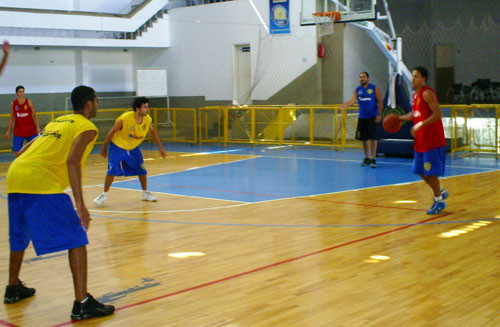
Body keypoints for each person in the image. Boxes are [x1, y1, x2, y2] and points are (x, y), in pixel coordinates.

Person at [4, 86, 115, 321]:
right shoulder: (87, 128)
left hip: (15, 176)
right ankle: (82, 303)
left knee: (19, 236)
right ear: (88, 105)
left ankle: (12, 288)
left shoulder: (58, 121)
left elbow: (25, 148)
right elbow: (73, 161)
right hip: (40, 181)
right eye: (96, 101)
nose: (97, 105)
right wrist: (80, 204)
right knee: (77, 237)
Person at [93, 97, 167, 206]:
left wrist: (161, 148)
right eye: (145, 107)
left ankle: (145, 193)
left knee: (142, 170)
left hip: (133, 147)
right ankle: (104, 195)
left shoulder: (147, 119)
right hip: (118, 146)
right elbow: (112, 132)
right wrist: (103, 148)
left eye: (147, 107)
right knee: (112, 170)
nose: (147, 109)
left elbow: (153, 132)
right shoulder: (125, 119)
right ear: (137, 108)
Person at [399, 66, 448, 215]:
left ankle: (439, 200)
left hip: (432, 140)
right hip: (421, 140)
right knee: (420, 171)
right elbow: (415, 114)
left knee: (431, 172)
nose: (413, 79)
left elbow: (438, 114)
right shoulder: (415, 95)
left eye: (416, 76)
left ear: (424, 79)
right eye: (413, 76)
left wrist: (420, 124)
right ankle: (439, 191)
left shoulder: (427, 93)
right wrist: (400, 119)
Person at [342, 72, 383, 168]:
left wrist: (379, 114)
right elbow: (353, 100)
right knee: (364, 139)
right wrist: (346, 104)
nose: (361, 79)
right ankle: (367, 158)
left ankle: (373, 158)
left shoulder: (374, 88)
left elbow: (380, 101)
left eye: (363, 77)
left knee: (373, 139)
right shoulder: (357, 90)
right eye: (360, 77)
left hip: (373, 117)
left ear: (367, 78)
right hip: (362, 118)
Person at [4, 85, 41, 157]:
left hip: (31, 130)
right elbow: (12, 118)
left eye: (23, 91)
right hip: (19, 131)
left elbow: (35, 115)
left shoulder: (28, 102)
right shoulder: (13, 104)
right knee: (16, 151)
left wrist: (37, 127)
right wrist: (8, 131)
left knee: (35, 149)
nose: (21, 93)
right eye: (20, 92)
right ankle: (19, 164)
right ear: (17, 93)